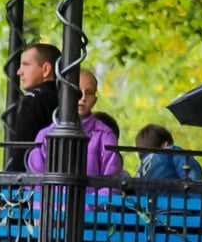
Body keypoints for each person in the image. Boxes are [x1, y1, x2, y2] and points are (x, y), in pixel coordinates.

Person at [27, 69, 122, 176]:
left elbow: (110, 184)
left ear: (95, 100)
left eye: (89, 93)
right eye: (78, 91)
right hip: (50, 193)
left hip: (92, 193)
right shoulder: (45, 135)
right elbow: (35, 183)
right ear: (65, 95)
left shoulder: (106, 136)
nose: (83, 98)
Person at [8, 43, 60, 172]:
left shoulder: (32, 100)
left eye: (26, 65)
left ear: (46, 69)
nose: (19, 72)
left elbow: (22, 152)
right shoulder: (68, 100)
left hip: (31, 186)